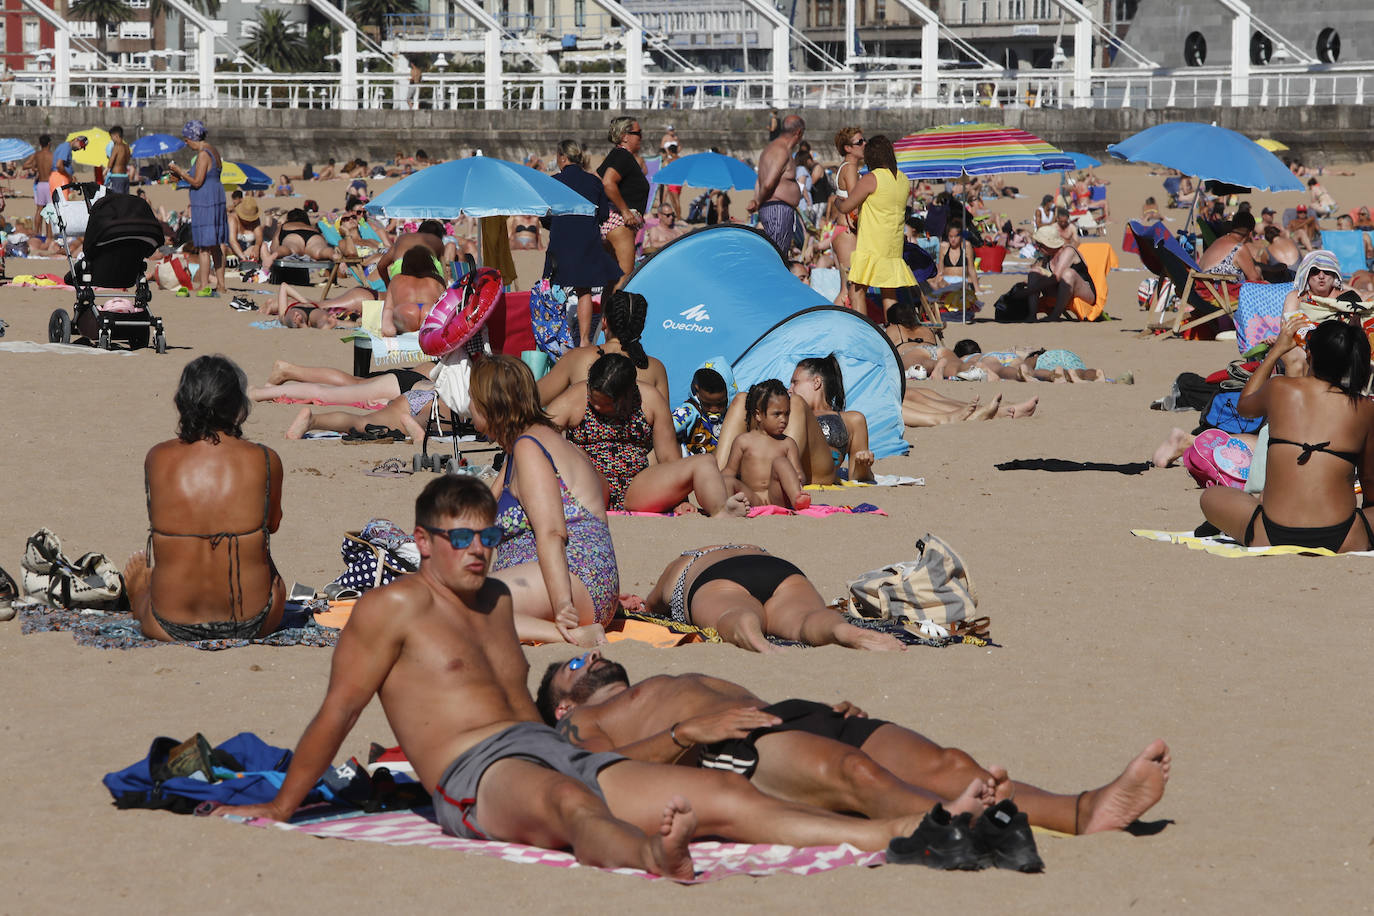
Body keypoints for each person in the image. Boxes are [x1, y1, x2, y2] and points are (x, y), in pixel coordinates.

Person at [219, 476, 959, 870]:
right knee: (573, 812)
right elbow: (336, 713)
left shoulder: (500, 599)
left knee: (719, 791)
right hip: (475, 775)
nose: (478, 551)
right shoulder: (391, 610)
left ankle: (893, 832)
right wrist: (284, 808)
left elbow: (516, 684)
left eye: (487, 537)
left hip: (549, 746)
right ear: (423, 542)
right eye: (461, 539)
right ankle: (650, 856)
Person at [541, 653, 1172, 835]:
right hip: (725, 747)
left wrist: (817, 706)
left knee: (950, 764)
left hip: (786, 715)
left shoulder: (658, 678)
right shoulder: (581, 723)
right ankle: (965, 825)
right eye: (572, 662)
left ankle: (1084, 809)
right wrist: (684, 735)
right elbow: (601, 770)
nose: (591, 654)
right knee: (860, 778)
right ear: (562, 701)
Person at [122, 356, 285, 641]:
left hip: (166, 624)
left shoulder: (157, 457)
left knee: (148, 581)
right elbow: (272, 524)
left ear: (183, 402)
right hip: (256, 621)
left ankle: (139, 592)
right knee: (263, 554)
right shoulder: (266, 459)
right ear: (237, 405)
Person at [468, 356, 619, 647]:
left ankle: (572, 636)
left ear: (489, 405)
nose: (468, 407)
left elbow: (552, 531)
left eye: (472, 399)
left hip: (573, 579)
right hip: (582, 579)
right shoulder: (529, 442)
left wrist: (563, 604)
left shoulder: (529, 448)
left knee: (459, 605)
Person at [1201, 317, 1374, 552]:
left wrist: (1276, 351)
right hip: (1344, 537)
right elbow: (1369, 479)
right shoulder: (1364, 407)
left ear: (1310, 354)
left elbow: (1244, 407)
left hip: (1271, 534)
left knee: (1212, 496)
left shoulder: (1280, 388)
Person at [549, 353, 749, 517]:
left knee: (704, 462)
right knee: (564, 447)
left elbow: (669, 459)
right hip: (593, 482)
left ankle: (722, 510)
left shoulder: (649, 399)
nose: (596, 405)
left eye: (605, 403)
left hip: (638, 485)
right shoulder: (576, 397)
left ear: (628, 395)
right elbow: (540, 436)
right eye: (593, 398)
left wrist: (679, 500)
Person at [622, 545, 903, 652]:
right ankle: (840, 629)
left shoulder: (685, 560)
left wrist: (639, 603)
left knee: (733, 613)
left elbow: (654, 605)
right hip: (777, 568)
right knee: (804, 618)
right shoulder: (751, 547)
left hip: (717, 577)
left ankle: (754, 637)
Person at [545, 139, 622, 346]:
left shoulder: (554, 182)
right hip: (586, 242)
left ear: (562, 157)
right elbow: (604, 215)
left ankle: (553, 339)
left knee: (551, 289)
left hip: (561, 242)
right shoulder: (594, 182)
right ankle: (585, 341)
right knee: (584, 291)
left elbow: (544, 217)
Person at [537, 290, 668, 404]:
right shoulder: (655, 368)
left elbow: (532, 399)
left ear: (604, 322)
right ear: (641, 327)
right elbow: (663, 421)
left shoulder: (576, 358)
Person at [834, 135, 915, 316]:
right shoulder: (902, 179)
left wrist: (836, 203)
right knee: (889, 292)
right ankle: (894, 331)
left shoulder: (872, 178)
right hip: (892, 245)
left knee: (857, 291)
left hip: (871, 244)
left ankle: (865, 331)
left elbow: (847, 206)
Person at [722, 380, 810, 510]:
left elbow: (798, 472)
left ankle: (797, 499)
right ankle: (728, 507)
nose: (783, 420)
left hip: (778, 497)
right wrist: (719, 480)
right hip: (751, 498)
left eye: (787, 414)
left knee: (781, 462)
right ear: (758, 415)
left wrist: (798, 479)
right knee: (727, 481)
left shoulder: (787, 443)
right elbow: (730, 471)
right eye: (777, 414)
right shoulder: (743, 441)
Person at [165, 121, 227, 298]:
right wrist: (181, 178)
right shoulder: (213, 151)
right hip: (214, 196)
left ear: (193, 138)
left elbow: (198, 182)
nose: (186, 144)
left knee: (204, 246)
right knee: (215, 245)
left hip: (205, 201)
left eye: (187, 140)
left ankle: (205, 285)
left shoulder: (203, 154)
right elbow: (204, 178)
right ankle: (221, 285)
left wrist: (179, 171)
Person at [1278, 250, 1364, 377]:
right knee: (1294, 355)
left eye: (1327, 271)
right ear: (1306, 274)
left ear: (1334, 275)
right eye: (1315, 271)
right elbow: (1287, 331)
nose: (1321, 276)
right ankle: (1295, 394)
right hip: (1301, 346)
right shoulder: (1296, 298)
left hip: (1337, 347)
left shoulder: (1345, 298)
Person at [788, 355, 875, 481]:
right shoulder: (787, 414)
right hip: (782, 465)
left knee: (796, 402)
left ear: (816, 382)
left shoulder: (852, 419)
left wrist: (863, 466)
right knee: (747, 398)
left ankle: (786, 475)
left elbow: (855, 477)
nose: (789, 389)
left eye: (795, 382)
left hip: (819, 473)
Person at [250, 359, 434, 408]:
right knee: (332, 393)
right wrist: (392, 403)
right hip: (407, 387)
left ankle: (287, 371)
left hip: (415, 380)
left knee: (354, 383)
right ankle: (260, 392)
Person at [597, 117, 649, 290]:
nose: (641, 137)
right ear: (625, 136)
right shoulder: (623, 156)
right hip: (620, 224)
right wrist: (626, 212)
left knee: (612, 280)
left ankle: (606, 316)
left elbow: (598, 180)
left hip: (609, 223)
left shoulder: (615, 154)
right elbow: (607, 183)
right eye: (638, 133)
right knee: (625, 278)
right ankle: (616, 317)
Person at [748, 114, 806, 256]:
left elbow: (759, 181)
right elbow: (768, 183)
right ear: (798, 133)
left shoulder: (770, 149)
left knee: (774, 254)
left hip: (773, 209)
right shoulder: (781, 151)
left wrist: (757, 199)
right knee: (777, 257)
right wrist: (757, 201)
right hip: (777, 211)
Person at [1025, 225, 1096, 321]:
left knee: (1068, 274)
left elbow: (1056, 278)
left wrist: (1032, 289)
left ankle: (1055, 315)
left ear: (1049, 243)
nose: (1038, 248)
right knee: (1034, 273)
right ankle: (1031, 316)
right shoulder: (1047, 256)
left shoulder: (1068, 251)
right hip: (1060, 291)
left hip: (1084, 293)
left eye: (1040, 244)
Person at [830, 126, 865, 308]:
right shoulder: (850, 168)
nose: (864, 144)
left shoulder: (845, 167)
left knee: (847, 286)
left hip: (841, 231)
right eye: (859, 142)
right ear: (848, 148)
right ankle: (834, 322)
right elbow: (854, 200)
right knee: (850, 288)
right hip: (847, 233)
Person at [378, 246, 448, 335]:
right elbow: (445, 305)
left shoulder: (397, 279)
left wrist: (387, 326)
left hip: (406, 311)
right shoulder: (437, 280)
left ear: (405, 263)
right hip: (429, 312)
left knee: (391, 317)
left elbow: (388, 308)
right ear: (429, 263)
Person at [259, 207, 339, 275]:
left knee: (288, 248)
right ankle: (334, 256)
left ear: (289, 218)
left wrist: (274, 252)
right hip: (313, 235)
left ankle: (273, 257)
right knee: (322, 251)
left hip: (293, 234)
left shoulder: (284, 225)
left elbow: (274, 246)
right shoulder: (312, 227)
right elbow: (324, 241)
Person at [672, 366, 731, 456]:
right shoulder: (689, 411)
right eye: (708, 404)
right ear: (697, 392)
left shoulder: (730, 412)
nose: (714, 410)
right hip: (693, 464)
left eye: (720, 404)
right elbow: (666, 429)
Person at [1198, 210, 1262, 282]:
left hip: (1204, 286)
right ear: (1250, 234)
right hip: (1218, 290)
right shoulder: (1238, 248)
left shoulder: (1217, 241)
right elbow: (1254, 279)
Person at [933, 223, 980, 298]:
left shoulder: (966, 246)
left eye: (956, 236)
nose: (953, 239)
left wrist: (977, 288)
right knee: (935, 283)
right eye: (950, 236)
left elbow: (971, 268)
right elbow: (940, 270)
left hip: (963, 280)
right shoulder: (944, 247)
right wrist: (936, 282)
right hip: (947, 281)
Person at [24, 134, 52, 229]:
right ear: (49, 143)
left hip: (40, 184)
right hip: (49, 184)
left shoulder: (37, 155)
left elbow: (25, 166)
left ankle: (36, 232)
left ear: (40, 144)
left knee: (39, 209)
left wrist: (35, 167)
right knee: (50, 209)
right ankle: (49, 234)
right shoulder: (52, 155)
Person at [227, 197, 263, 264]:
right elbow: (232, 241)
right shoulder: (232, 219)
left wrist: (257, 247)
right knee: (222, 247)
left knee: (263, 246)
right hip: (232, 250)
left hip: (248, 250)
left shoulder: (256, 220)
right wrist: (243, 258)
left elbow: (259, 237)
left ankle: (266, 269)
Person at [105, 125, 131, 195]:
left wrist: (106, 171)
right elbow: (127, 160)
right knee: (125, 199)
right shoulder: (127, 147)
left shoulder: (116, 147)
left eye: (111, 137)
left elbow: (111, 162)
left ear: (116, 135)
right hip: (125, 176)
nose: (111, 139)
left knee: (117, 199)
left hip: (117, 177)